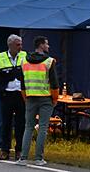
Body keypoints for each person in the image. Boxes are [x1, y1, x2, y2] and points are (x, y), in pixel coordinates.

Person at [18, 36, 59, 167]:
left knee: (28, 127)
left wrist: (26, 97)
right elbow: (54, 83)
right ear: (41, 45)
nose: (48, 46)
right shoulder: (49, 61)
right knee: (42, 128)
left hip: (30, 98)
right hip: (45, 98)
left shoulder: (24, 60)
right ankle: (38, 158)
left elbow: (22, 84)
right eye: (46, 44)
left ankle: (22, 158)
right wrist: (55, 98)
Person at [0, 34, 27, 161]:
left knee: (21, 124)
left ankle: (19, 151)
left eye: (21, 44)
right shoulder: (1, 57)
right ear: (11, 45)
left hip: (21, 94)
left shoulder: (25, 56)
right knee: (6, 124)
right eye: (18, 44)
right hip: (6, 94)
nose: (20, 47)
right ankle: (5, 151)